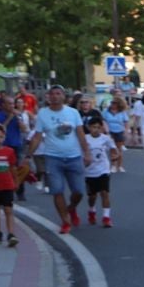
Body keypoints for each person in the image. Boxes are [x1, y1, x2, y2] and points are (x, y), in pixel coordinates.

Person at [34, 85, 92, 234]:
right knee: (57, 190)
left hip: (74, 157)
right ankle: (65, 220)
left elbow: (80, 134)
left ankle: (70, 209)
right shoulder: (42, 114)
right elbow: (38, 136)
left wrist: (87, 152)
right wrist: (28, 155)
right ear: (48, 97)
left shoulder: (73, 113)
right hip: (53, 158)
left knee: (79, 191)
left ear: (64, 96)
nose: (55, 96)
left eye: (58, 93)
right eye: (52, 94)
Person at [82, 114, 123, 227]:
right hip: (89, 171)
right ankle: (91, 211)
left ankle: (106, 217)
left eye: (98, 127)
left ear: (101, 128)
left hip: (103, 170)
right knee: (92, 196)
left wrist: (115, 156)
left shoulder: (105, 138)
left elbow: (114, 150)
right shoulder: (84, 139)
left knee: (104, 193)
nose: (96, 129)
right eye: (93, 127)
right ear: (89, 127)